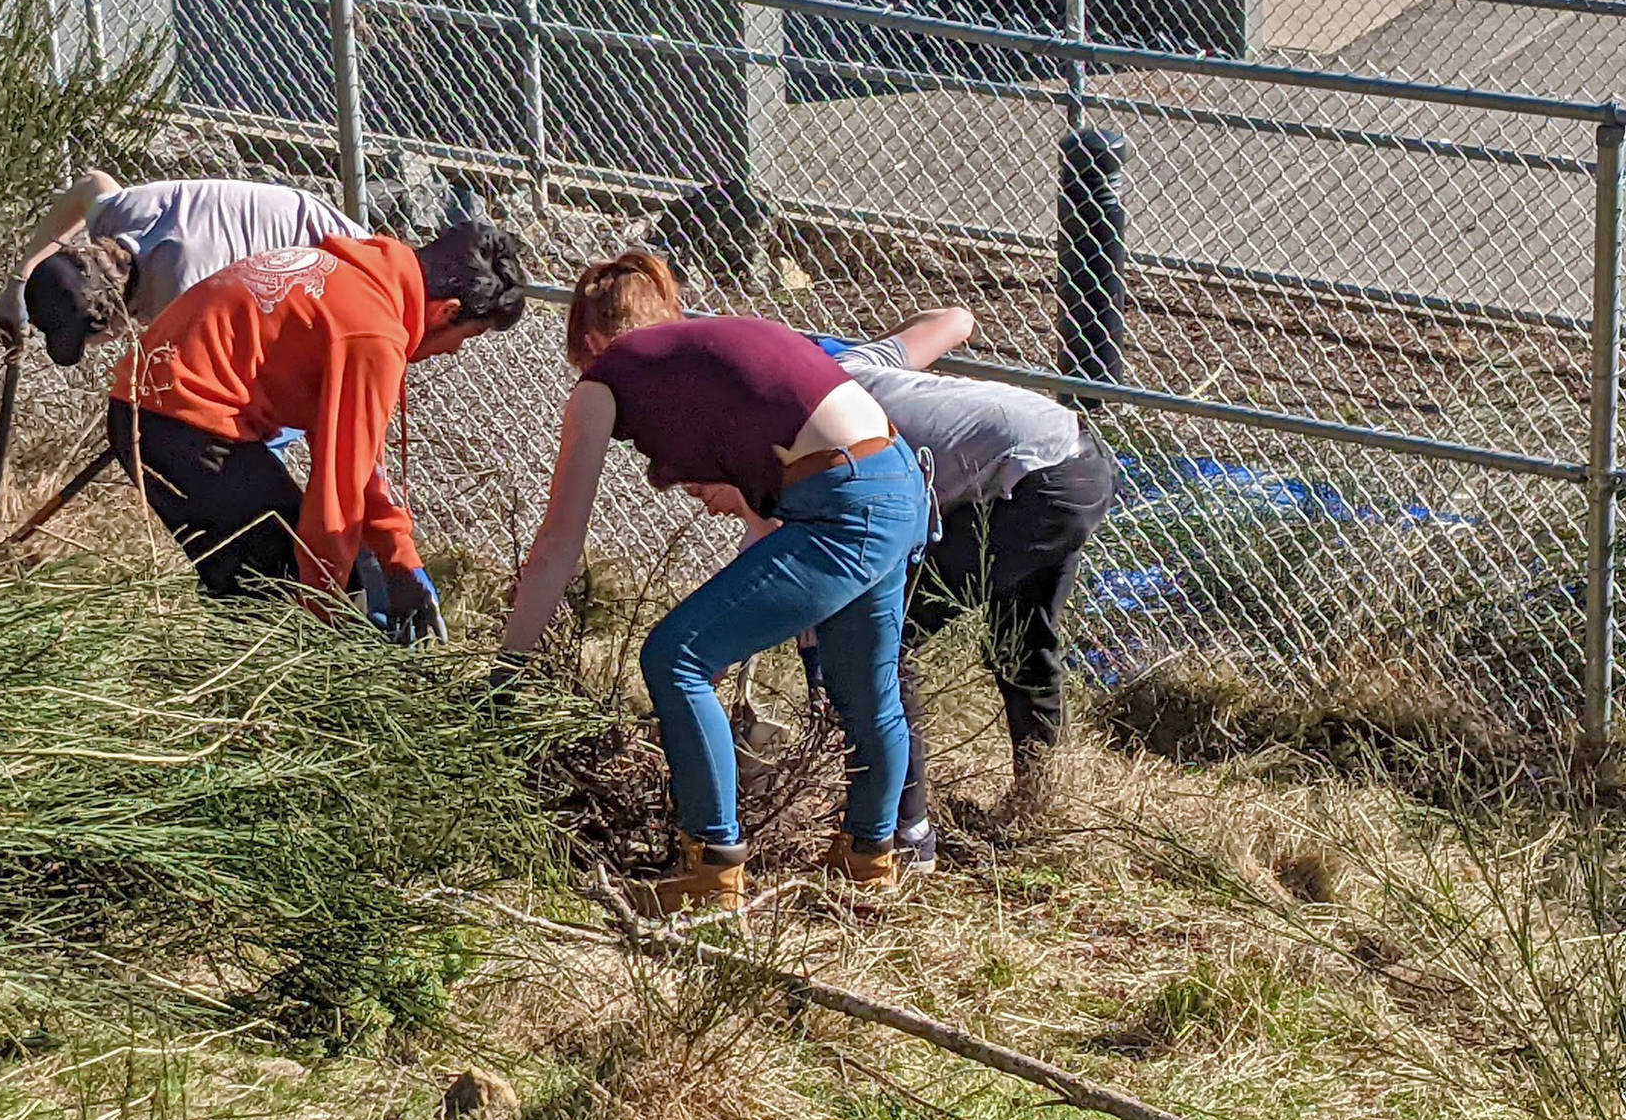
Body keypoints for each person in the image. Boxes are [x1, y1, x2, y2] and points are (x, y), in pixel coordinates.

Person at [499, 253, 928, 911]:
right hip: (897, 482)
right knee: (865, 692)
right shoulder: (707, 344)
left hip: (842, 503)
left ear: (588, 342)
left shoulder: (603, 379)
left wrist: (508, 672)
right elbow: (768, 503)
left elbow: (560, 542)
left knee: (675, 657)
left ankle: (711, 872)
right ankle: (869, 865)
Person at [107, 220, 527, 640]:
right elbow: (337, 498)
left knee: (267, 577)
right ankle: (268, 685)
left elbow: (360, 463)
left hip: (152, 407)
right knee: (279, 592)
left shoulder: (362, 280)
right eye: (468, 336)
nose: (454, 351)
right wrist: (323, 620)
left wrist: (400, 558)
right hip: (183, 424)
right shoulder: (373, 334)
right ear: (446, 311)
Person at [801, 308, 1116, 847]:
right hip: (1079, 460)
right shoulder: (860, 363)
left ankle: (903, 831)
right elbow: (956, 320)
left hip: (1032, 484)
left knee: (874, 643)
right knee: (1020, 643)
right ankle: (1040, 798)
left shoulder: (818, 420)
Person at [0, 172, 367, 363]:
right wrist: (18, 281)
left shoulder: (184, 299)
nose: (95, 346)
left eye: (87, 339)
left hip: (347, 275)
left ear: (110, 320)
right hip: (310, 239)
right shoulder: (117, 217)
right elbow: (93, 182)